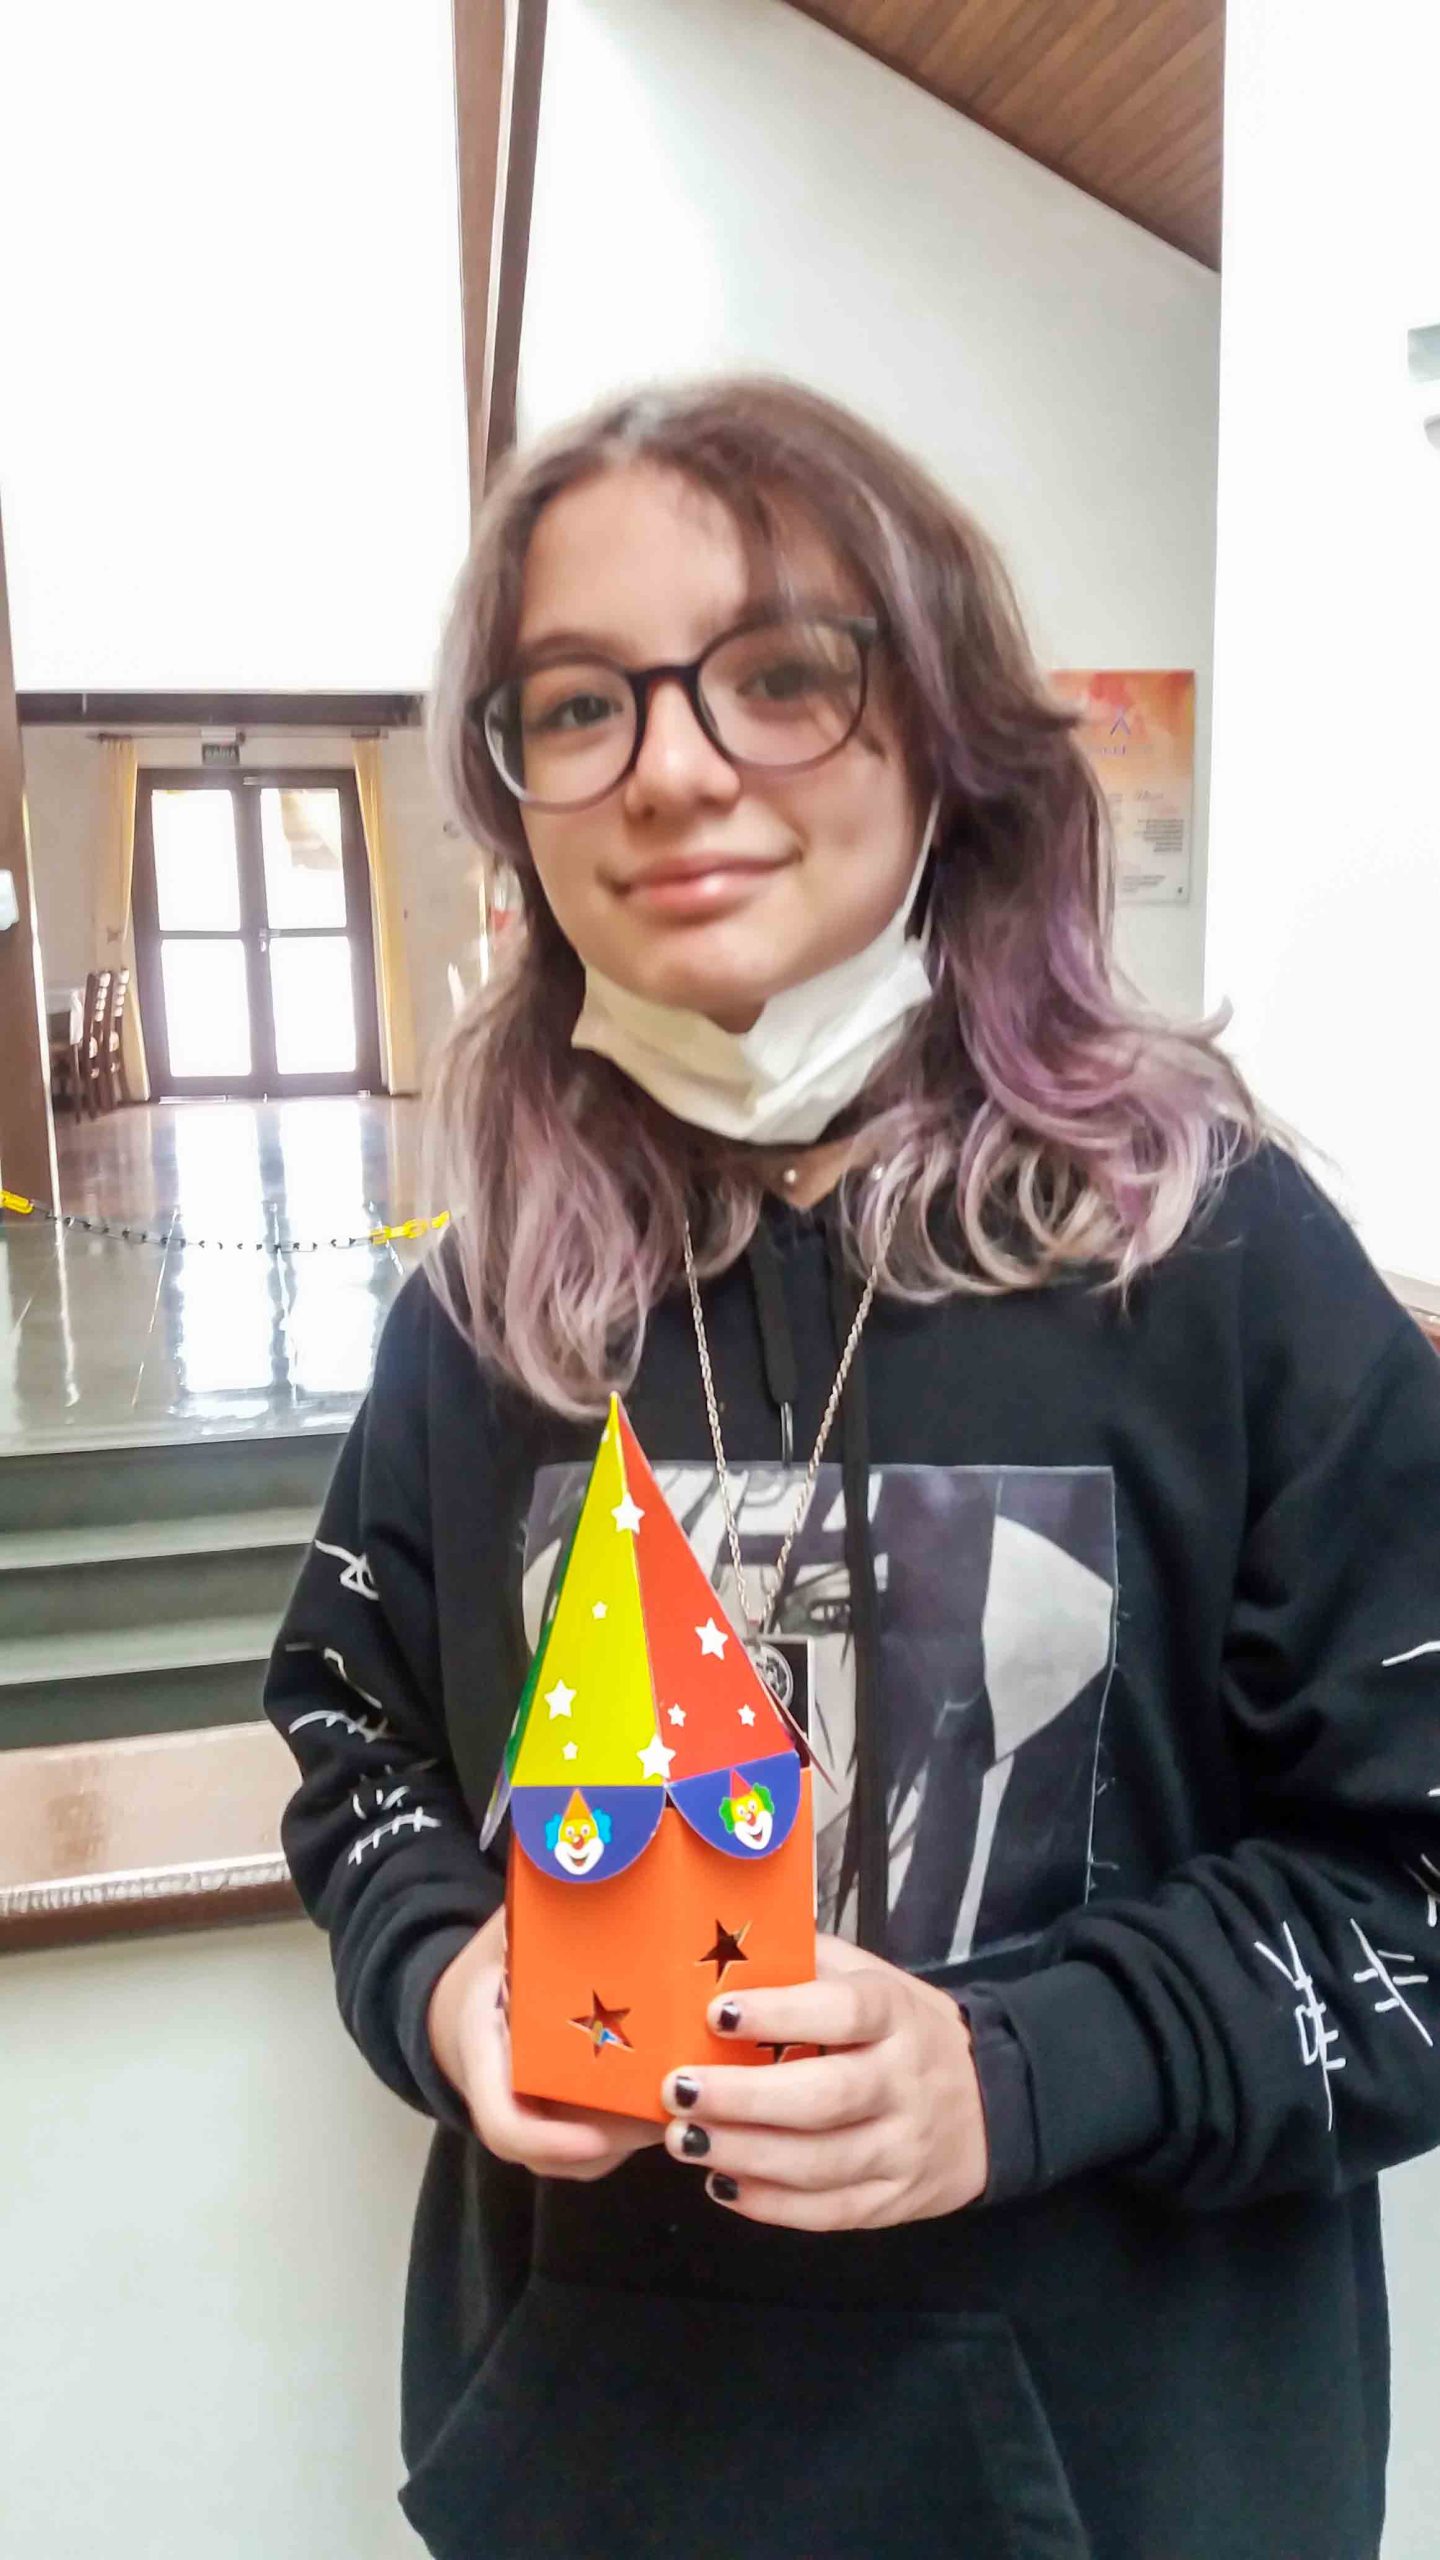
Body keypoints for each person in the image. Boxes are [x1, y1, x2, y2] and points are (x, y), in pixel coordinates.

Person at [263, 376, 1440, 2560]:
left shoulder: (1216, 1262)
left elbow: (1416, 1886)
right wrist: (440, 1973)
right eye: (578, 703)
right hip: (601, 2474)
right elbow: (355, 1746)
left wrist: (1023, 2070)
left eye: (780, 673)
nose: (672, 766)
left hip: (1120, 2481)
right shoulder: (494, 1308)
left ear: (946, 731)